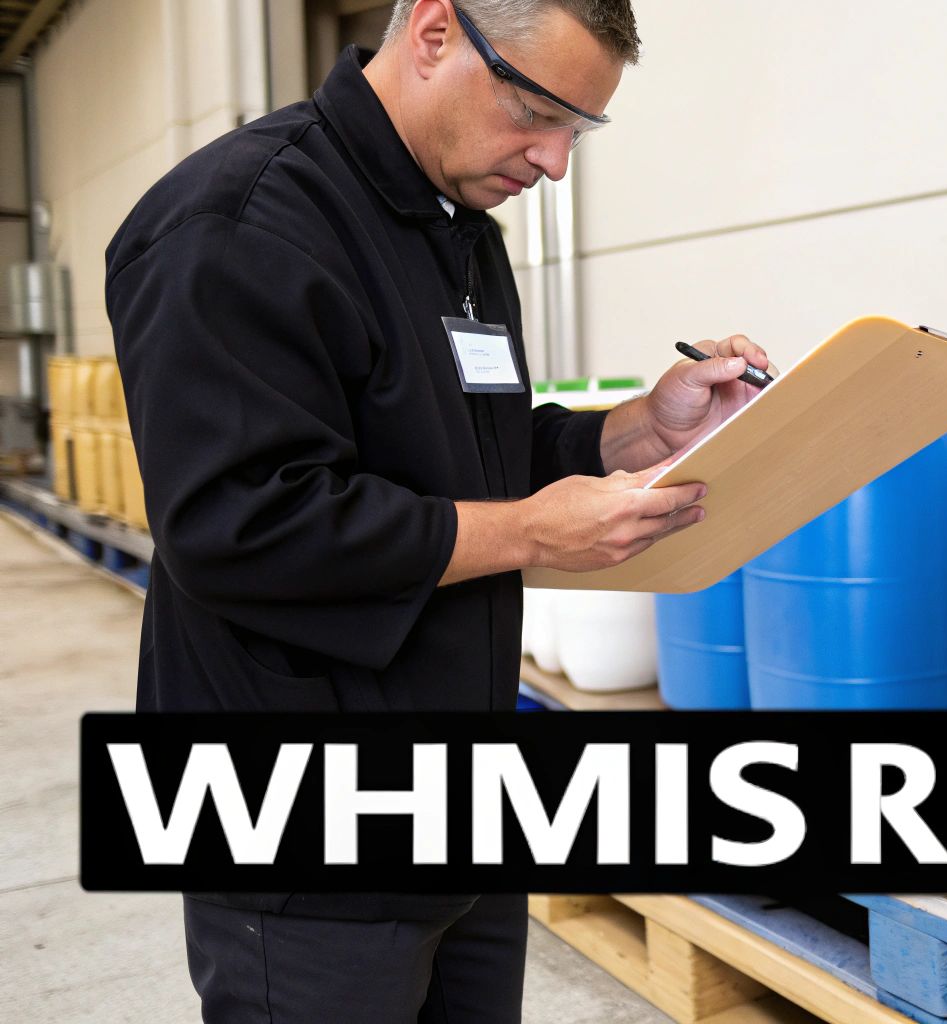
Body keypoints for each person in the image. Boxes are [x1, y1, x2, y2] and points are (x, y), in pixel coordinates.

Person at [102, 1, 748, 1018]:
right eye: (537, 112)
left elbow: (469, 455)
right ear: (437, 32)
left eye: (578, 131)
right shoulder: (236, 225)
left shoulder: (460, 235)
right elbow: (243, 525)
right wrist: (536, 532)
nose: (552, 162)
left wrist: (632, 430)